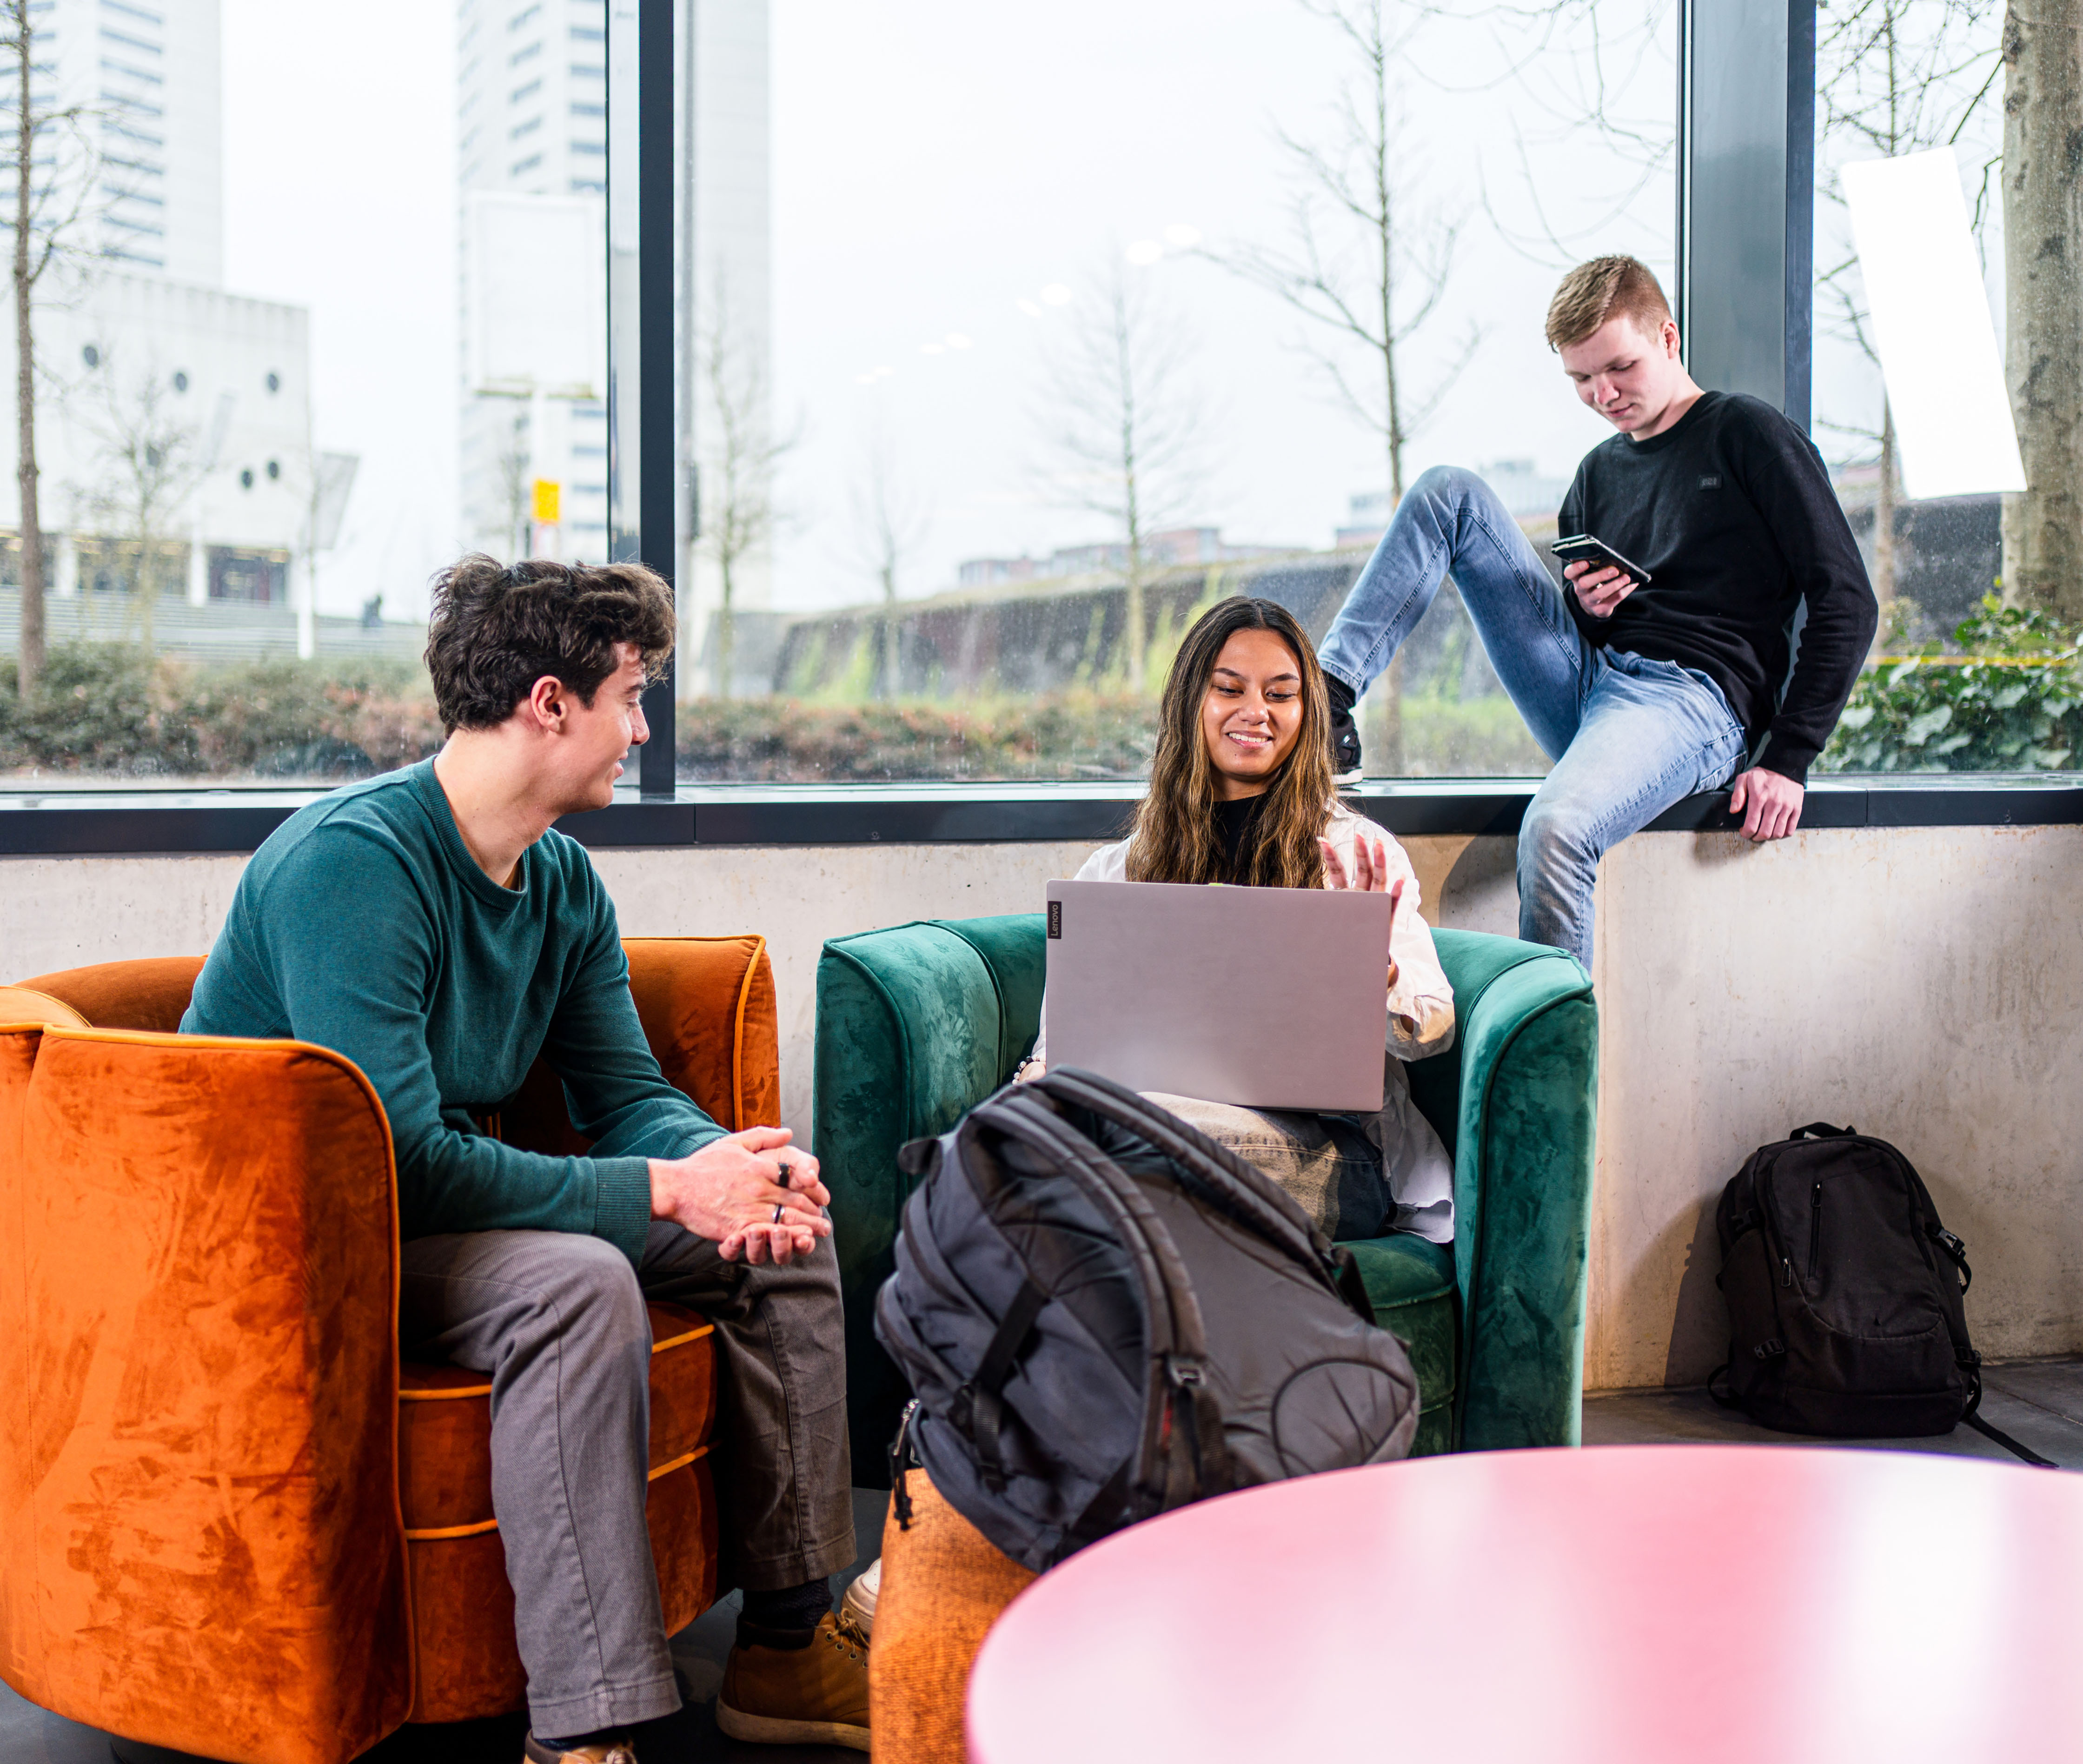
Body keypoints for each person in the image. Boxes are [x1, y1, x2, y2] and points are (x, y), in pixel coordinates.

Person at [181, 557, 868, 1761]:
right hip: (306, 1243)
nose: (642, 730)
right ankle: (585, 1732)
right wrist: (669, 1190)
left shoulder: (560, 878)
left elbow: (627, 1097)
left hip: (427, 1209)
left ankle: (787, 1645)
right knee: (575, 1285)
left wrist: (725, 1169)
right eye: (631, 697)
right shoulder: (357, 865)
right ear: (550, 704)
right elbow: (400, 1163)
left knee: (780, 1243)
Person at [1317, 254, 1879, 971]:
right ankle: (1327, 699)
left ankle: (1550, 1072)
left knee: (1554, 827)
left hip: (1692, 704)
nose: (1603, 394)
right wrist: (1586, 609)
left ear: (1669, 340)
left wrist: (1790, 757)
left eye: (1620, 368)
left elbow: (1847, 598)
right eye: (1581, 379)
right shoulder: (1597, 473)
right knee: (1447, 490)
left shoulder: (1748, 434)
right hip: (1593, 683)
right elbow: (1590, 634)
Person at [1021, 595, 1458, 1244]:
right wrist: (1032, 1094)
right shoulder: (1118, 871)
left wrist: (1378, 973)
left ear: (1306, 714)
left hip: (1331, 1152)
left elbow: (1433, 1029)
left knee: (1115, 1150)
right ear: (1191, 703)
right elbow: (1059, 1046)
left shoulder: (1355, 855)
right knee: (1048, 1130)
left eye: (1281, 694)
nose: (1256, 711)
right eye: (1230, 689)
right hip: (1150, 1122)